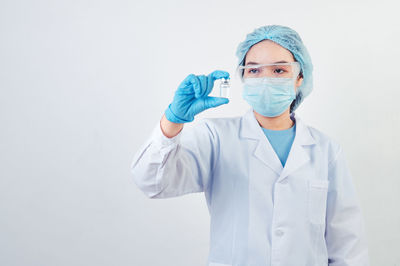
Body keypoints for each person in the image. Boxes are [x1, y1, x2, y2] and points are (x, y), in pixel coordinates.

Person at [130, 25, 370, 266]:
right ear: (243, 77)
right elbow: (151, 182)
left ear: (300, 77)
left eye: (278, 70)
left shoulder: (325, 151)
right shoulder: (216, 138)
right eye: (254, 70)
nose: (265, 79)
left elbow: (347, 246)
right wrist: (172, 120)